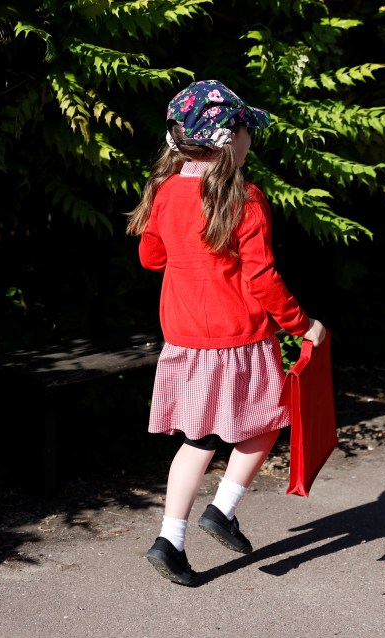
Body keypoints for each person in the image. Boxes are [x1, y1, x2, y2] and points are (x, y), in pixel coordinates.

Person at [126, 79, 326, 587]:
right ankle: (223, 509)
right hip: (241, 338)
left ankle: (170, 540)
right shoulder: (246, 198)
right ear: (229, 138)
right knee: (266, 423)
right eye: (245, 130)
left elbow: (151, 257)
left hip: (185, 339)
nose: (249, 140)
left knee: (198, 440)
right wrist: (302, 326)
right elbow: (262, 277)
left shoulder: (165, 192)